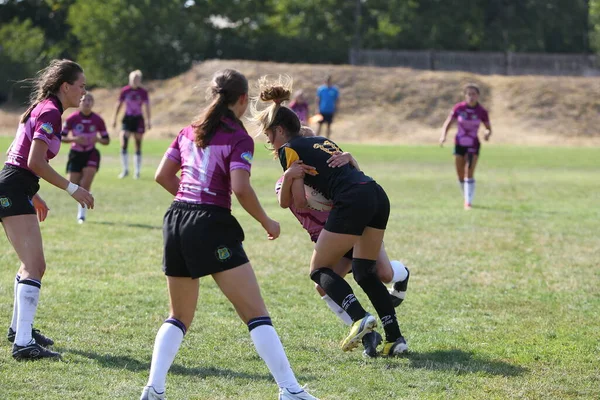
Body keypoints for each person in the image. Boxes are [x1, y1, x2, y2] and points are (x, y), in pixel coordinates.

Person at [140, 69, 319, 400]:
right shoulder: (238, 138)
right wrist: (267, 221)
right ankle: (290, 390)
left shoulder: (187, 131)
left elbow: (162, 175)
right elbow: (240, 187)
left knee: (178, 316)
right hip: (211, 223)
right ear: (241, 100)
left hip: (176, 220)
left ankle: (154, 388)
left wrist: (191, 198)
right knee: (256, 314)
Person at [252, 78, 407, 357]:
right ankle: (395, 337)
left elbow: (299, 202)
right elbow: (347, 165)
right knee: (364, 271)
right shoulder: (323, 140)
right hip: (375, 193)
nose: (268, 141)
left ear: (280, 130)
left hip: (351, 201)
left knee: (318, 269)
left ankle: (360, 317)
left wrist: (290, 175)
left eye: (268, 134)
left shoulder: (289, 151)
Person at [275, 127, 410, 357]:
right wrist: (290, 177)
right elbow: (291, 202)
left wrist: (352, 159)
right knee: (334, 281)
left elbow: (355, 184)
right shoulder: (291, 178)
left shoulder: (333, 167)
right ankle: (373, 334)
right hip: (342, 226)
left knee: (383, 273)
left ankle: (399, 278)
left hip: (354, 217)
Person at [1, 59, 94, 360]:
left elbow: (17, 154)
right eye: (80, 85)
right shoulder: (51, 111)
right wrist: (72, 188)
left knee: (31, 264)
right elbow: (35, 161)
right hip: (13, 187)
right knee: (35, 266)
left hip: (16, 186)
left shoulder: (43, 107)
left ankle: (20, 331)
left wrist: (34, 194)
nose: (84, 91)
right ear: (65, 86)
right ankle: (23, 344)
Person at [439, 83, 492, 210]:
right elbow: (448, 122)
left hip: (473, 144)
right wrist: (443, 136)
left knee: (469, 172)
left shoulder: (482, 111)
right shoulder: (459, 108)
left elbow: (488, 128)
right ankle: (466, 196)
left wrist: (487, 134)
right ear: (465, 95)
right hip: (459, 143)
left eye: (474, 94)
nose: (471, 97)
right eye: (469, 94)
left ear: (478, 95)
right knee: (460, 173)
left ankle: (468, 202)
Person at [61, 93, 110, 223]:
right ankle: (82, 205)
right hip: (76, 154)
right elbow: (61, 137)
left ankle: (81, 215)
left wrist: (98, 139)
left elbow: (106, 140)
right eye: (84, 100)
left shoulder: (98, 120)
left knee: (86, 184)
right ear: (79, 102)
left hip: (91, 153)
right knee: (72, 185)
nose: (87, 102)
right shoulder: (72, 118)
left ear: (92, 103)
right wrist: (74, 139)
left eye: (90, 100)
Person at [112, 69, 151, 179]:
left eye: (137, 79)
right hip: (127, 118)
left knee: (138, 144)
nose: (135, 81)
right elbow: (119, 104)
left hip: (138, 119)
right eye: (133, 79)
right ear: (130, 79)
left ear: (140, 80)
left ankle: (137, 171)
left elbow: (147, 106)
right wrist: (114, 118)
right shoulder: (125, 91)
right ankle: (125, 170)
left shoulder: (143, 92)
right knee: (124, 140)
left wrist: (148, 120)